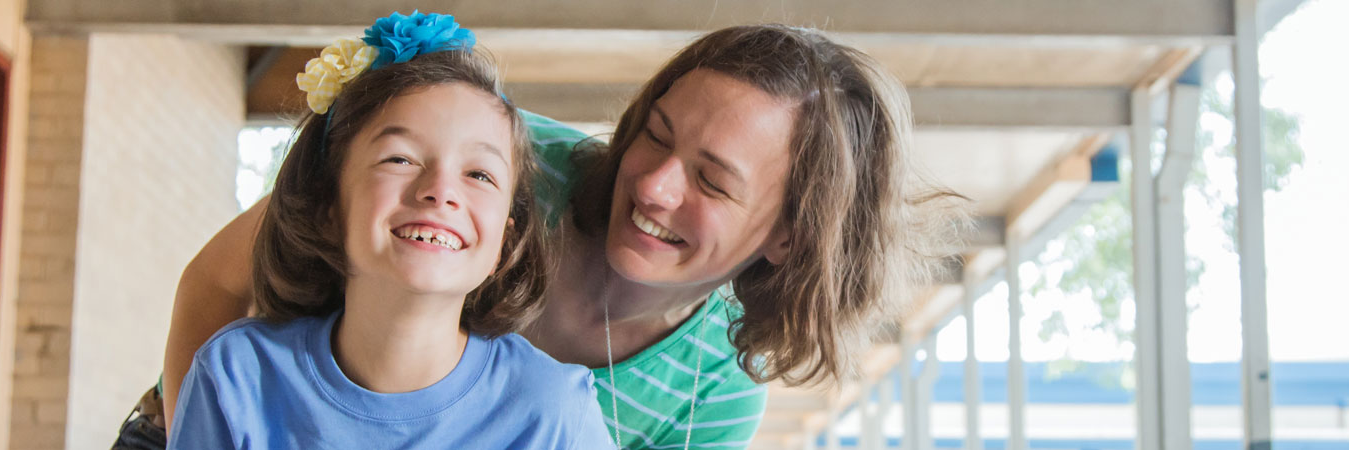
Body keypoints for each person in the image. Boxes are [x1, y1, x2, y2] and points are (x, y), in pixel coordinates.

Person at [142, 24, 961, 450]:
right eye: (655, 133)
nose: (654, 184)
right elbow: (215, 286)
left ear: (788, 236)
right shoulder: (486, 159)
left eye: (712, 180)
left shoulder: (706, 398)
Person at [164, 12, 611, 449]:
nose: (440, 191)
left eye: (479, 174)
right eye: (399, 159)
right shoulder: (236, 376)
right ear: (328, 208)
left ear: (504, 244)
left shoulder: (555, 414)